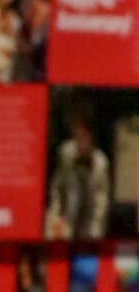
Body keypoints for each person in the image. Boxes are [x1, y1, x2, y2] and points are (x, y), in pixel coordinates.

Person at [48, 99, 112, 242]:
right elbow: (56, 191)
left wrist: (93, 237)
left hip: (89, 232)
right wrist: (56, 220)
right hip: (66, 228)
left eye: (83, 130)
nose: (79, 133)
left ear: (91, 134)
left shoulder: (100, 163)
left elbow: (101, 206)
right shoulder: (65, 153)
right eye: (76, 128)